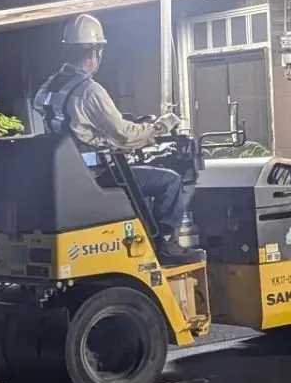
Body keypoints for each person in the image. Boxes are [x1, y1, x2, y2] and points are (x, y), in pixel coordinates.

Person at [32, 14, 197, 264]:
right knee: (169, 181)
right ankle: (165, 246)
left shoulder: (50, 86)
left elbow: (68, 122)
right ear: (96, 52)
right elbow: (124, 136)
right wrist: (158, 127)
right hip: (97, 173)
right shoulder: (90, 91)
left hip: (68, 173)